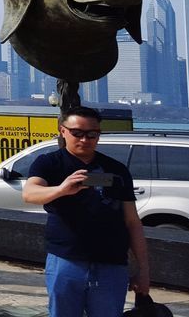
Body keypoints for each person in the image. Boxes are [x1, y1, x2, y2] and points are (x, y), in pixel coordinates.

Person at [23, 106, 150, 317]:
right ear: (63, 131)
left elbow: (132, 222)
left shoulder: (116, 170)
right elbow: (29, 193)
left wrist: (143, 270)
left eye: (92, 134)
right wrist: (62, 189)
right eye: (77, 133)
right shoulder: (49, 163)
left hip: (111, 263)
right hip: (66, 260)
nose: (85, 140)